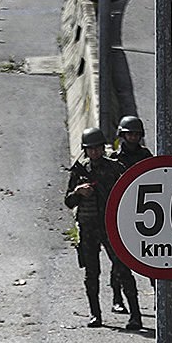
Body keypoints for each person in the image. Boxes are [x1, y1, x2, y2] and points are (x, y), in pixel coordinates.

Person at [63, 127, 141, 331]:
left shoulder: (114, 168)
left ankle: (135, 315)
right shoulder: (79, 170)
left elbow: (128, 194)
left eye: (97, 148)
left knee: (123, 270)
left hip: (111, 227)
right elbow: (68, 202)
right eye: (90, 149)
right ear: (85, 150)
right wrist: (78, 192)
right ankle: (95, 314)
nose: (94, 152)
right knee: (91, 273)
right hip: (89, 228)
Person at [107, 115, 149, 315]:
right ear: (122, 135)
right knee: (118, 261)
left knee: (152, 257)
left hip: (145, 213)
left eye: (135, 134)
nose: (132, 138)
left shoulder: (146, 157)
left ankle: (162, 298)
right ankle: (117, 297)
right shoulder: (114, 160)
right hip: (122, 215)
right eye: (128, 134)